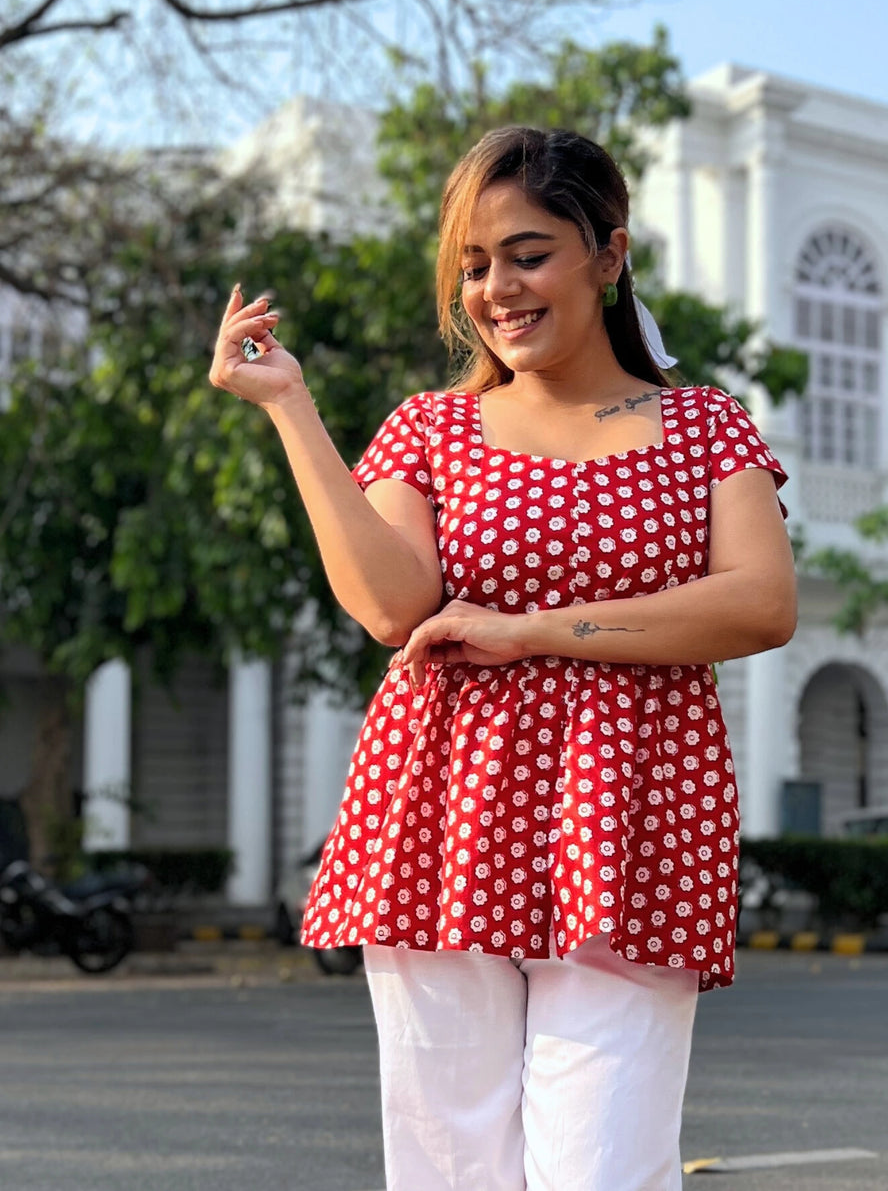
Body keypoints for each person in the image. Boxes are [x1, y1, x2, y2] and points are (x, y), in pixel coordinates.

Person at [209, 126, 796, 1191]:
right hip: (442, 807)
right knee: (449, 1163)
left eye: (528, 255)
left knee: (604, 1166)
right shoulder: (430, 429)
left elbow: (760, 604)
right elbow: (391, 606)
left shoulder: (705, 426)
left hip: (634, 815)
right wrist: (290, 406)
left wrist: (530, 630)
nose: (496, 290)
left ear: (608, 255)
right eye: (474, 266)